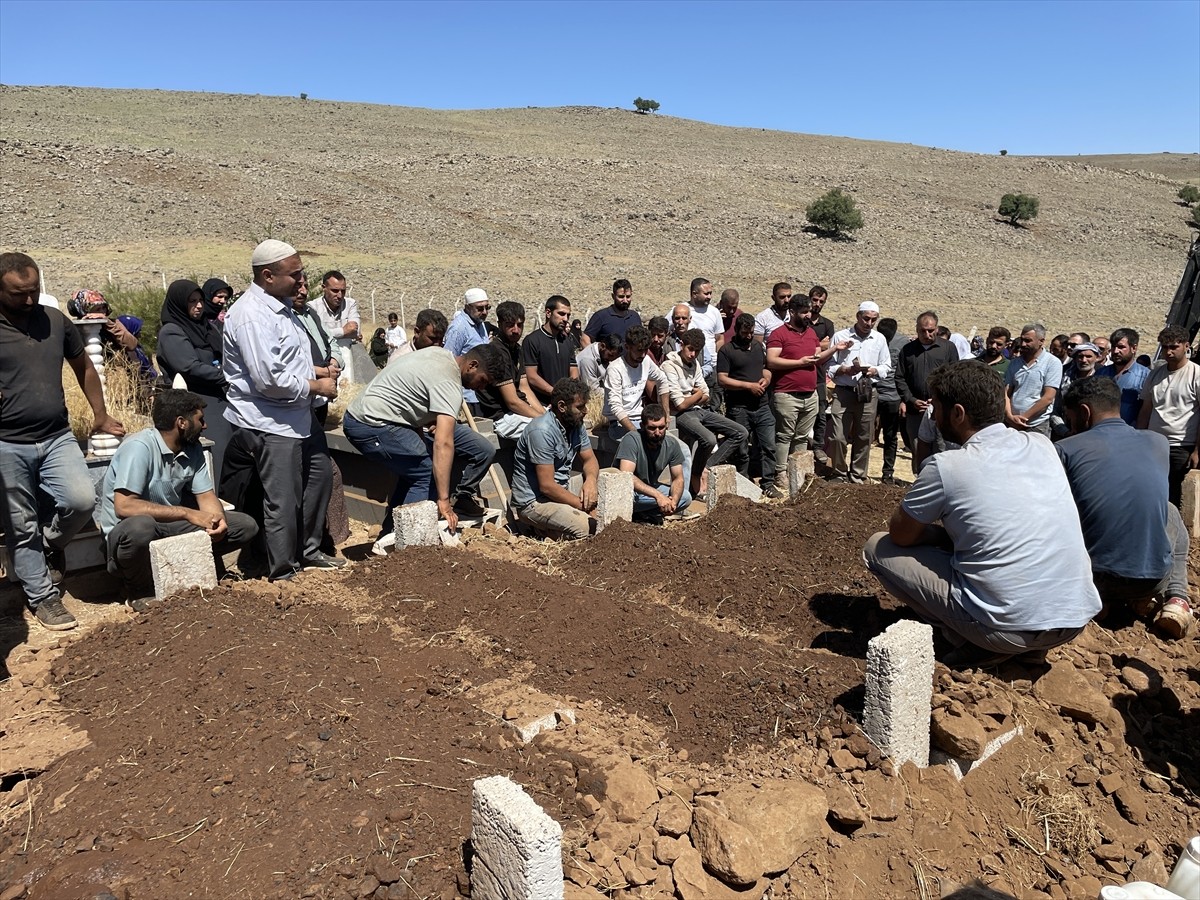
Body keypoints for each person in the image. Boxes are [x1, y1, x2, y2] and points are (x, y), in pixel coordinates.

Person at [863, 360, 1101, 666]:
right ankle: (1021, 648)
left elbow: (901, 535)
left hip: (1007, 629)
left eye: (936, 406)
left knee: (877, 547)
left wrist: (940, 534)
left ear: (958, 413)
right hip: (1073, 619)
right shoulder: (1042, 445)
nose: (933, 415)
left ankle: (975, 643)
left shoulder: (947, 466)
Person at [0, 251, 125, 631]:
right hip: (7, 444)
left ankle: (48, 544)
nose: (28, 299)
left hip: (56, 436)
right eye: (18, 294)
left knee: (82, 500)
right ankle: (43, 598)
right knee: (20, 526)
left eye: (34, 290)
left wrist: (100, 415)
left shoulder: (55, 321)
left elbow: (84, 366)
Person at [219, 240, 338, 582]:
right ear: (268, 276)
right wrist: (318, 386)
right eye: (295, 275)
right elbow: (269, 381)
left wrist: (318, 371)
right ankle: (283, 570)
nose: (302, 282)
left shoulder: (280, 307)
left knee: (319, 477)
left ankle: (309, 549)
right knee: (282, 499)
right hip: (271, 421)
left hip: (298, 415)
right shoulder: (251, 317)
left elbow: (288, 360)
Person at [1056, 377, 1193, 639]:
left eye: (1070, 418)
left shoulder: (1065, 449)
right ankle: (1177, 599)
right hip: (1153, 577)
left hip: (1092, 578)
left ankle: (1100, 601)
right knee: (1170, 511)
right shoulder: (1158, 442)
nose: (1070, 427)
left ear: (1084, 412)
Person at [99, 390, 259, 610]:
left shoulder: (192, 449)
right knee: (141, 527)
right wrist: (187, 513)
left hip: (166, 526)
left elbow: (206, 496)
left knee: (244, 525)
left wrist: (217, 522)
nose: (205, 426)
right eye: (200, 419)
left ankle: (182, 572)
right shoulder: (139, 447)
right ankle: (138, 589)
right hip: (129, 534)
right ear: (181, 422)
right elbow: (124, 506)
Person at [342, 343, 506, 537]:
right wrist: (444, 501)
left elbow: (412, 401)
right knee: (425, 474)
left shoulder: (440, 355)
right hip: (370, 423)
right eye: (483, 381)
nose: (481, 388)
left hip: (371, 416)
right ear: (472, 365)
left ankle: (391, 534)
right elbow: (443, 443)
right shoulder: (449, 384)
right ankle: (411, 545)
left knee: (415, 469)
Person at [158, 278, 233, 483]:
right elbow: (188, 366)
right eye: (192, 301)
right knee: (216, 456)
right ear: (180, 303)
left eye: (200, 300)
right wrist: (227, 375)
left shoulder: (206, 328)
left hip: (220, 398)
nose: (199, 305)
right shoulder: (172, 331)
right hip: (198, 403)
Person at [510, 377, 600, 540]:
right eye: (580, 407)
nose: (585, 410)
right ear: (562, 407)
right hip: (535, 502)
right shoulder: (541, 431)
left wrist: (591, 481)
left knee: (612, 474)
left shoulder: (575, 424)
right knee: (587, 528)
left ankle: (551, 530)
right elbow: (547, 487)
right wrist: (582, 506)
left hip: (560, 491)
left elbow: (589, 460)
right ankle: (541, 529)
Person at [767, 294, 847, 475]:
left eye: (809, 312)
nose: (808, 316)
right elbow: (771, 361)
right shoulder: (779, 334)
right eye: (804, 312)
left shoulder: (811, 334)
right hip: (787, 394)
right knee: (784, 436)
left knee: (802, 437)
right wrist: (799, 363)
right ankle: (780, 473)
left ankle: (797, 473)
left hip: (810, 394)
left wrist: (834, 348)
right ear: (792, 312)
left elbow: (816, 359)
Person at [663, 328, 748, 497]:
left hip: (698, 410)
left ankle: (705, 468)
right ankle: (697, 474)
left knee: (741, 432)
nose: (693, 354)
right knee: (708, 439)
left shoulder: (694, 364)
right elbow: (679, 404)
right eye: (690, 349)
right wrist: (699, 394)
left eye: (697, 351)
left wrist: (697, 396)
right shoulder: (669, 366)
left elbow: (707, 394)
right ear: (682, 345)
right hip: (682, 415)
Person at [827, 301, 891, 483]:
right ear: (858, 316)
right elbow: (829, 366)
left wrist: (874, 370)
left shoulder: (879, 339)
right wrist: (845, 370)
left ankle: (858, 475)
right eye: (866, 318)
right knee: (838, 436)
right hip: (844, 391)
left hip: (868, 392)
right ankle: (839, 472)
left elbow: (886, 365)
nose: (869, 323)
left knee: (864, 436)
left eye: (873, 320)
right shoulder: (841, 336)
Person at [1137, 325, 1200, 509]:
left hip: (1182, 446)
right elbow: (1145, 410)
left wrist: (1197, 450)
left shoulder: (1196, 375)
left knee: (1176, 496)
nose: (1169, 352)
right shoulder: (1155, 374)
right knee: (1154, 492)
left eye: (1174, 347)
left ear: (1186, 346)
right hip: (1154, 444)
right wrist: (1139, 439)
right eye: (1165, 347)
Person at [719, 312, 781, 498]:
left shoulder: (757, 346)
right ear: (737, 330)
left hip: (761, 406)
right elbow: (722, 379)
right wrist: (748, 386)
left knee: (768, 446)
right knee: (742, 449)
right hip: (739, 407)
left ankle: (768, 482)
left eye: (751, 333)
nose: (748, 336)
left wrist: (766, 379)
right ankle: (744, 482)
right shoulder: (727, 350)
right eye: (745, 333)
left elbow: (765, 368)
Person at [477, 301, 544, 439]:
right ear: (499, 324)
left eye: (519, 325)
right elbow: (512, 401)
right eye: (510, 325)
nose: (516, 330)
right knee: (544, 431)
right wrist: (544, 420)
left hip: (516, 411)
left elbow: (524, 387)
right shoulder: (496, 352)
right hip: (502, 417)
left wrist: (544, 414)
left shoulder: (517, 350)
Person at [895, 311, 957, 460]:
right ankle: (920, 480)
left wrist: (939, 399)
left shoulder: (948, 348)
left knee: (941, 448)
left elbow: (954, 376)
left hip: (941, 409)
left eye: (930, 330)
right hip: (915, 410)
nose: (927, 334)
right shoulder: (908, 350)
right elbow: (900, 377)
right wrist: (910, 399)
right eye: (923, 330)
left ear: (936, 329)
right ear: (917, 329)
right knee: (917, 448)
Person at [616, 404, 691, 524]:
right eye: (652, 428)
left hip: (647, 491)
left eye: (661, 427)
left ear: (666, 425)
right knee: (631, 499)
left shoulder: (671, 444)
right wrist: (658, 496)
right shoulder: (632, 439)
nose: (657, 432)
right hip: (625, 493)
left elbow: (678, 478)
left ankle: (645, 514)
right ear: (642, 426)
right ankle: (643, 514)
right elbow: (626, 476)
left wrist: (673, 501)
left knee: (685, 498)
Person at [603, 325, 669, 442]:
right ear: (627, 347)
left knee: (681, 449)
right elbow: (616, 407)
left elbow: (662, 380)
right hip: (619, 423)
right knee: (645, 447)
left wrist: (666, 415)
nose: (643, 355)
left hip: (641, 419)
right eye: (639, 350)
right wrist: (635, 433)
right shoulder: (615, 369)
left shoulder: (646, 361)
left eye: (645, 350)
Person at [1004, 323, 1062, 438]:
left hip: (1037, 425)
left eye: (1028, 341)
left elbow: (1048, 398)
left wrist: (1024, 418)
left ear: (1041, 341)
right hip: (1012, 424)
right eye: (1022, 340)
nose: (1023, 344)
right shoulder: (1015, 363)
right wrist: (1009, 417)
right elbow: (1006, 392)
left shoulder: (1052, 363)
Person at [522, 295, 578, 405]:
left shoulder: (567, 341)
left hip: (565, 403)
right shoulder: (532, 340)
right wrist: (555, 393)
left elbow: (573, 369)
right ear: (548, 313)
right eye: (561, 314)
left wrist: (571, 391)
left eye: (568, 315)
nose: (565, 319)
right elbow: (531, 376)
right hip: (541, 404)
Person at [445, 288, 491, 409]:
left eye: (487, 307)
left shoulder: (480, 323)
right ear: (468, 307)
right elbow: (448, 360)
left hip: (480, 394)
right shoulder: (459, 328)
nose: (485, 312)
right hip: (466, 397)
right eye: (480, 308)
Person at [874, 317, 907, 484]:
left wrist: (904, 399)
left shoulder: (903, 343)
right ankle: (859, 472)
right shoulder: (873, 338)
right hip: (872, 393)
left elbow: (906, 371)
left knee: (890, 436)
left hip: (893, 396)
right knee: (863, 434)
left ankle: (887, 472)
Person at [807, 286, 836, 464]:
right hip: (801, 373)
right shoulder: (802, 320)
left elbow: (831, 350)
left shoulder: (827, 324)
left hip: (819, 375)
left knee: (821, 411)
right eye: (815, 300)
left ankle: (818, 446)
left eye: (821, 301)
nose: (817, 304)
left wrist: (826, 347)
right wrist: (820, 345)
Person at [1096, 328, 1150, 425]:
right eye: (1113, 347)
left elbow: (1146, 410)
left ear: (1134, 348)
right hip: (1101, 430)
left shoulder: (1145, 376)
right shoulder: (1101, 373)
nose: (1116, 351)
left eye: (1121, 347)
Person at [684, 277, 724, 381]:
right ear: (694, 294)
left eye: (710, 293)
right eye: (706, 294)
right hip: (687, 365)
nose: (709, 297)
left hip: (711, 367)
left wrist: (716, 358)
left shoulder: (714, 312)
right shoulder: (682, 310)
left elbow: (719, 338)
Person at [582, 279, 640, 347]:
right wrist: (593, 356)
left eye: (628, 297)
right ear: (613, 296)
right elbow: (584, 339)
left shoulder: (635, 317)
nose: (625, 300)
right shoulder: (601, 316)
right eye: (621, 297)